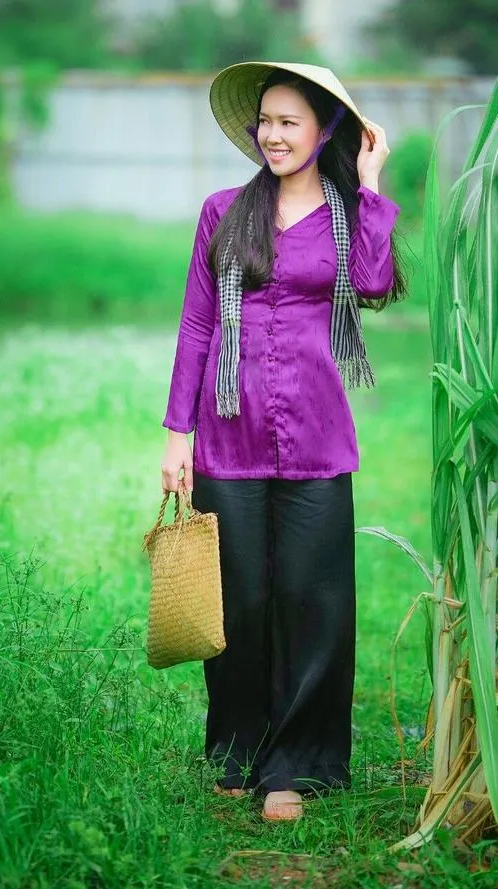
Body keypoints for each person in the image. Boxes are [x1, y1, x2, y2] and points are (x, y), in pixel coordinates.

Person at [160, 61, 406, 822]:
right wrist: (177, 433)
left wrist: (371, 183)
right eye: (264, 120)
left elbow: (373, 284)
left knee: (313, 600)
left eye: (289, 121)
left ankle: (297, 765)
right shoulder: (223, 211)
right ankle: (238, 752)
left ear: (324, 131)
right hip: (227, 433)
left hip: (317, 437)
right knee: (239, 600)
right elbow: (198, 322)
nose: (272, 134)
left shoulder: (348, 216)